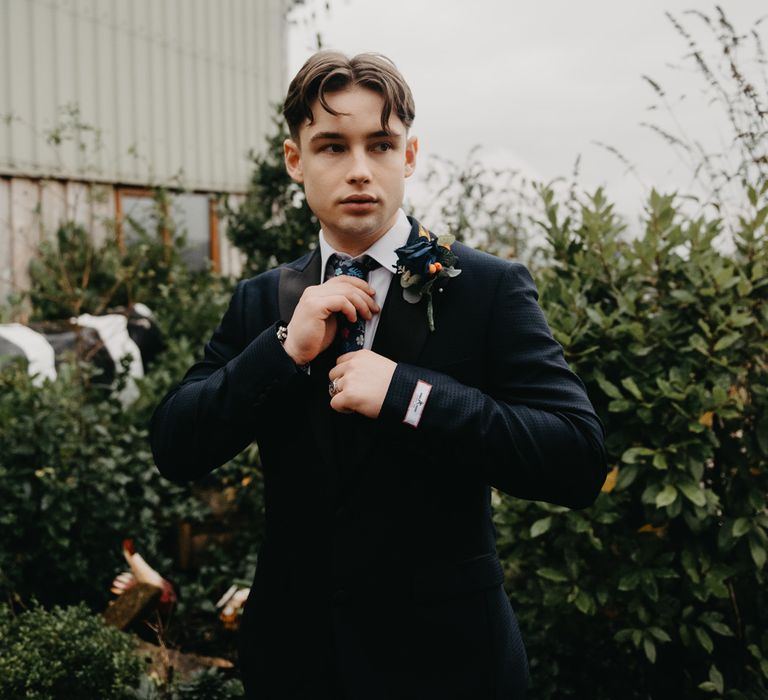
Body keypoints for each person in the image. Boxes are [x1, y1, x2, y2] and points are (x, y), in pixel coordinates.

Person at [150, 51, 607, 700]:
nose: (360, 170)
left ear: (410, 156)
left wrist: (410, 395)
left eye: (381, 144)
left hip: (449, 666)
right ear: (295, 160)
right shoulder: (262, 300)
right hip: (295, 663)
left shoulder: (487, 289)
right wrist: (281, 351)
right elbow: (175, 445)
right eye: (332, 146)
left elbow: (577, 457)